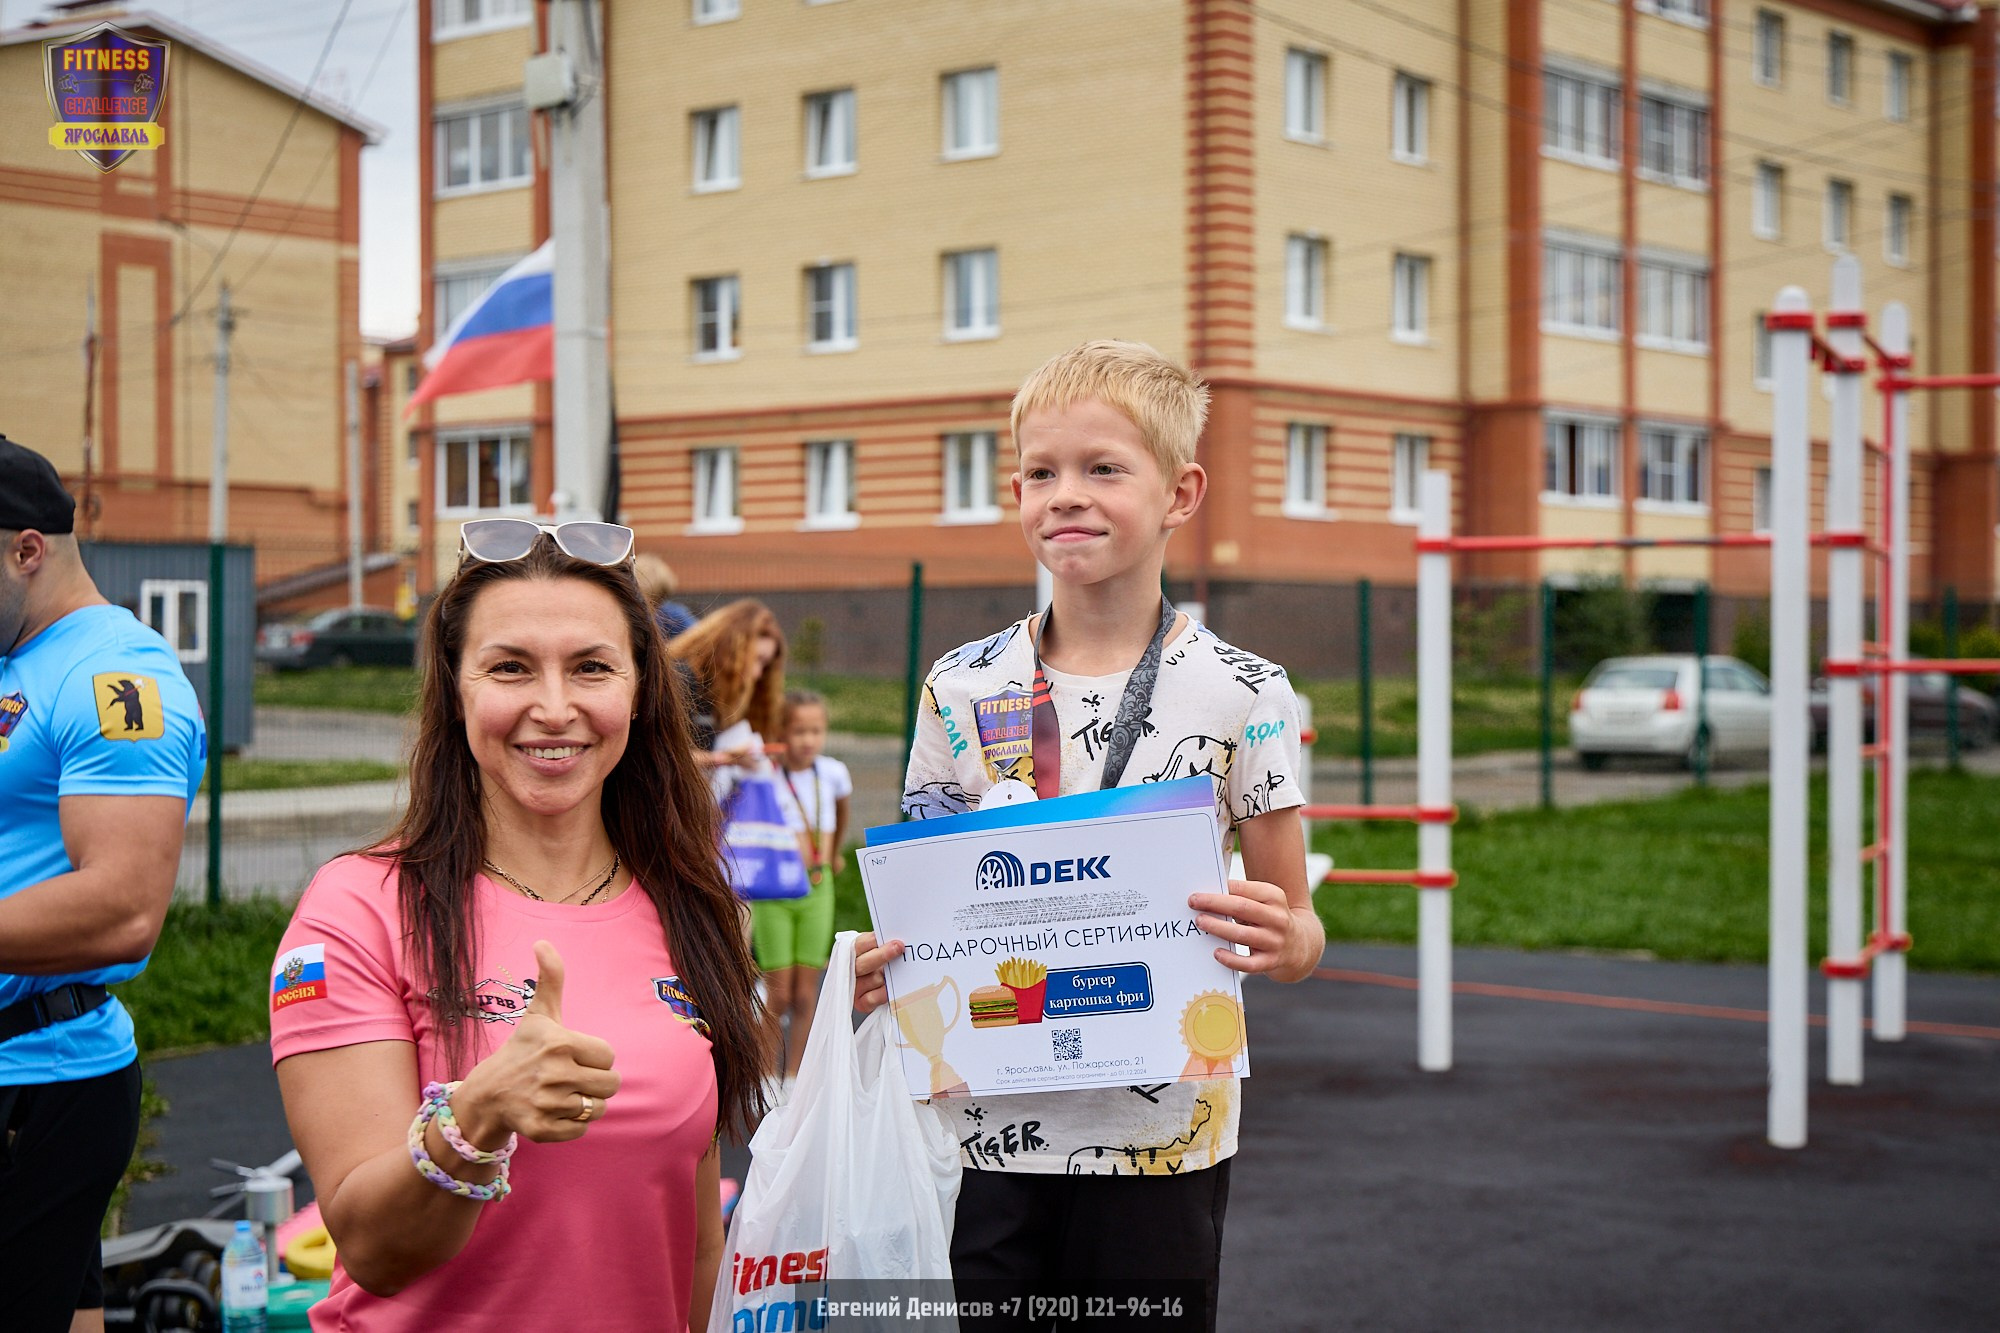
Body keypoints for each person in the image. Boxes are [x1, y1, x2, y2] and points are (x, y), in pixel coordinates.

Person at [859, 341, 1324, 1330]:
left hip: (1160, 1138)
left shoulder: (1244, 690)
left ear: (1179, 492)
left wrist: (1285, 942)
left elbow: (1297, 924)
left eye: (1102, 468)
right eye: (1041, 471)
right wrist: (875, 963)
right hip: (985, 1133)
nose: (1064, 495)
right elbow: (919, 906)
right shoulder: (959, 683)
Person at [268, 518, 764, 1332]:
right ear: (456, 690)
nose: (555, 706)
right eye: (510, 668)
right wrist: (475, 1117)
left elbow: (697, 1243)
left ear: (639, 691)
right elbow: (370, 1246)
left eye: (591, 667)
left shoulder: (692, 903)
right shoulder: (356, 909)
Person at [0, 436, 207, 1333]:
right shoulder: (20, 656)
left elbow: (123, 908)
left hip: (39, 1081)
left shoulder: (116, 674)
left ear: (26, 550)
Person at [759, 689, 852, 1090]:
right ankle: (762, 1074)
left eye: (816, 730)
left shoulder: (831, 773)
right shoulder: (766, 775)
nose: (808, 740)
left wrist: (832, 854)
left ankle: (795, 1076)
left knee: (803, 992)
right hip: (774, 892)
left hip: (817, 886)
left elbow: (842, 807)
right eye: (798, 731)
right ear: (781, 731)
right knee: (777, 993)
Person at [633, 552, 697, 641]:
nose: (653, 607)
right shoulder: (628, 616)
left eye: (659, 600)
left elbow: (699, 639)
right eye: (647, 600)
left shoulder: (673, 616)